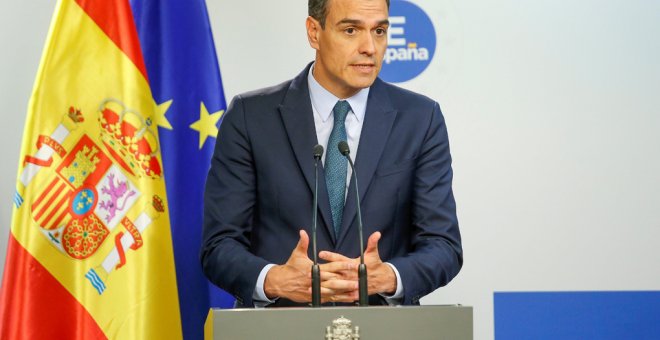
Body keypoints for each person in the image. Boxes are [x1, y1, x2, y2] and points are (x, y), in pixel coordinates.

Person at [201, 0, 462, 307]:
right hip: (280, 327)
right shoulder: (250, 116)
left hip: (383, 327)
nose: (369, 47)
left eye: (379, 31)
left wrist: (389, 277)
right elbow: (219, 245)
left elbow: (443, 245)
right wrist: (275, 280)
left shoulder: (420, 119)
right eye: (351, 30)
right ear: (314, 32)